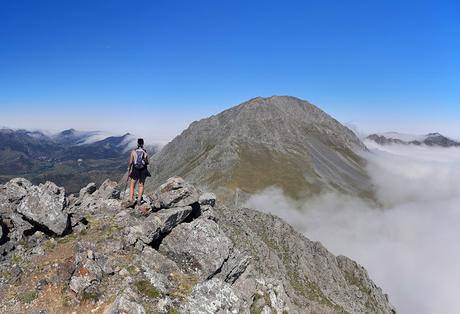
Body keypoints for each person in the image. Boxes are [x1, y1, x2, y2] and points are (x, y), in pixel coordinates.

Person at [127, 138, 151, 206]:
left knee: (132, 185)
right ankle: (139, 200)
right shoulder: (145, 152)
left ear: (137, 143)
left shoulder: (133, 151)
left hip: (135, 170)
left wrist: (129, 168)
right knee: (141, 185)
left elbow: (131, 162)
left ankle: (131, 200)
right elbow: (147, 162)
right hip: (143, 170)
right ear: (143, 144)